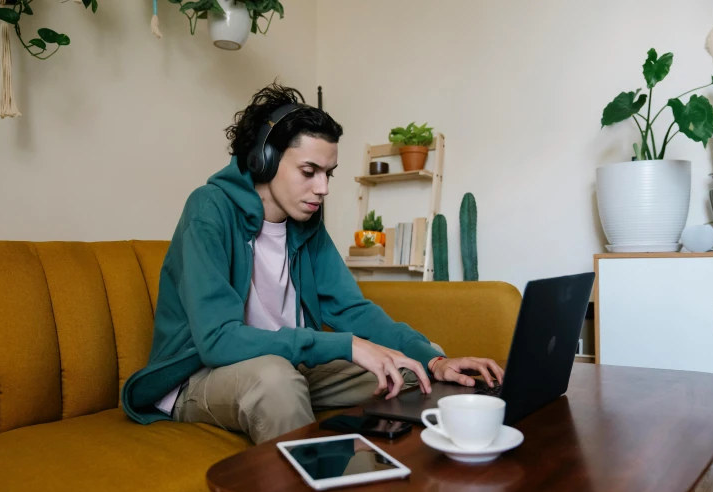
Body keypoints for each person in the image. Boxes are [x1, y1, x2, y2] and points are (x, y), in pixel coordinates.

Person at [121, 82, 504, 444]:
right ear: (263, 160)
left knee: (407, 369)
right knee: (276, 381)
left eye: (328, 174)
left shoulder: (305, 223)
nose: (323, 188)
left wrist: (434, 359)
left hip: (290, 364)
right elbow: (218, 341)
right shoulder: (209, 210)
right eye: (309, 172)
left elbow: (352, 309)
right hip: (203, 376)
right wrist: (346, 345)